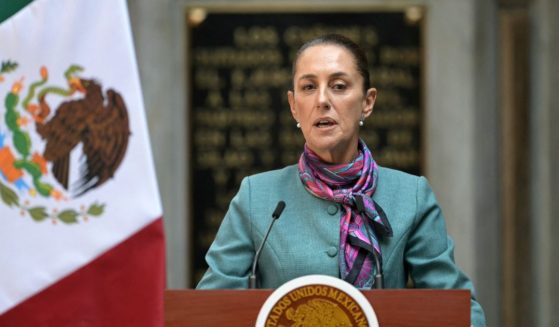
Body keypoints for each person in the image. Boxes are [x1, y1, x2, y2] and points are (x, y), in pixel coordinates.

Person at [196, 34, 486, 326]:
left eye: (339, 86)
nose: (322, 100)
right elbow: (207, 310)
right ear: (294, 105)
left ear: (367, 102)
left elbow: (459, 311)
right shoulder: (256, 196)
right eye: (308, 87)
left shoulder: (411, 195)